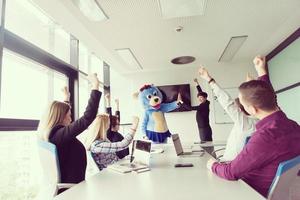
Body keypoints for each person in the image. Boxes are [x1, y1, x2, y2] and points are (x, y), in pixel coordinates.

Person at [206, 71, 300, 197]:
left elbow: (230, 173)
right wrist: (262, 73)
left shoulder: (264, 137)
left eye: (242, 104)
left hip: (251, 191)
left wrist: (212, 165)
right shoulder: (293, 126)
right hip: (276, 189)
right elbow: (272, 99)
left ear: (252, 109)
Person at [198, 56, 271, 161]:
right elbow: (270, 99)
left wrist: (209, 80)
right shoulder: (265, 122)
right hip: (239, 165)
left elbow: (227, 102)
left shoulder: (244, 122)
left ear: (245, 108)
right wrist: (261, 72)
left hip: (229, 165)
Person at [38, 73, 101, 184]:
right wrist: (95, 86)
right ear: (61, 117)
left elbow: (62, 112)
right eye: (69, 116)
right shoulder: (59, 135)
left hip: (75, 186)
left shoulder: (53, 134)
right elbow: (88, 117)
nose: (71, 119)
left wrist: (66, 99)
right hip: (73, 190)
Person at [104, 94, 129, 159]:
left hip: (125, 158)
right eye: (117, 124)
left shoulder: (116, 132)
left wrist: (117, 105)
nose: (119, 125)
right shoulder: (109, 134)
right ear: (111, 125)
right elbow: (109, 116)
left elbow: (118, 117)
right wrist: (108, 101)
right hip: (118, 160)